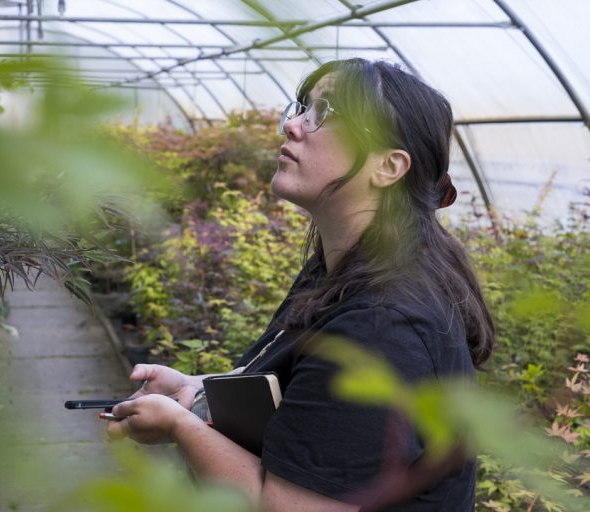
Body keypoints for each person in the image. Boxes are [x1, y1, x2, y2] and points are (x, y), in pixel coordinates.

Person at [105, 58, 494, 511]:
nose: (291, 126)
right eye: (302, 108)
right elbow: (297, 388)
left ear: (388, 167)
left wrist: (179, 425)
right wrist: (194, 389)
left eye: (325, 114)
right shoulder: (345, 271)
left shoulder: (381, 325)